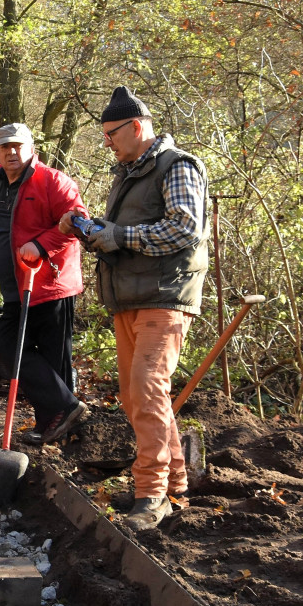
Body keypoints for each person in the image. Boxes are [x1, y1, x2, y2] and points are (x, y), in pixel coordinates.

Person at [59, 86, 209, 532]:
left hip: (164, 298)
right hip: (128, 297)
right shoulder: (127, 174)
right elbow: (122, 236)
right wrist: (88, 231)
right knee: (137, 397)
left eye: (111, 134)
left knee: (146, 390)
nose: (107, 142)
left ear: (138, 126)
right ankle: (177, 483)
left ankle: (151, 492)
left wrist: (120, 236)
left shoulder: (177, 165)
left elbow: (185, 228)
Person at [0, 123, 89, 443]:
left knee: (54, 361)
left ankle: (52, 428)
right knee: (9, 348)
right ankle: (66, 409)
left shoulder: (53, 181)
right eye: (4, 147)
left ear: (32, 150)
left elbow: (78, 219)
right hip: (16, 289)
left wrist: (41, 245)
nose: (11, 152)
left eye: (18, 146)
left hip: (51, 286)